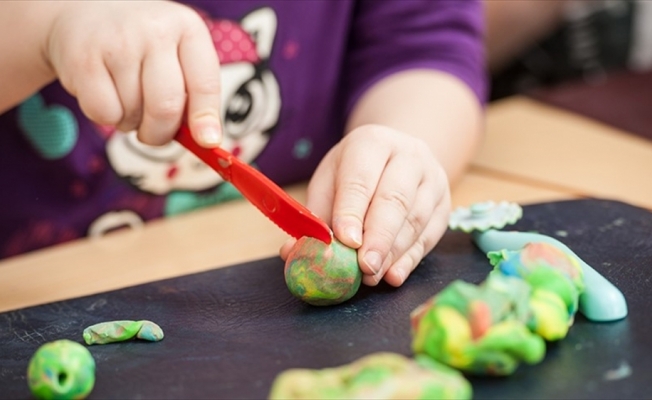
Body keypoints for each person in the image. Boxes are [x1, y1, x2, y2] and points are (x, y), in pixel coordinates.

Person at [0, 1, 485, 288]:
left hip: (241, 282)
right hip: (32, 286)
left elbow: (425, 48)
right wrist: (49, 26)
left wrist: (404, 147)